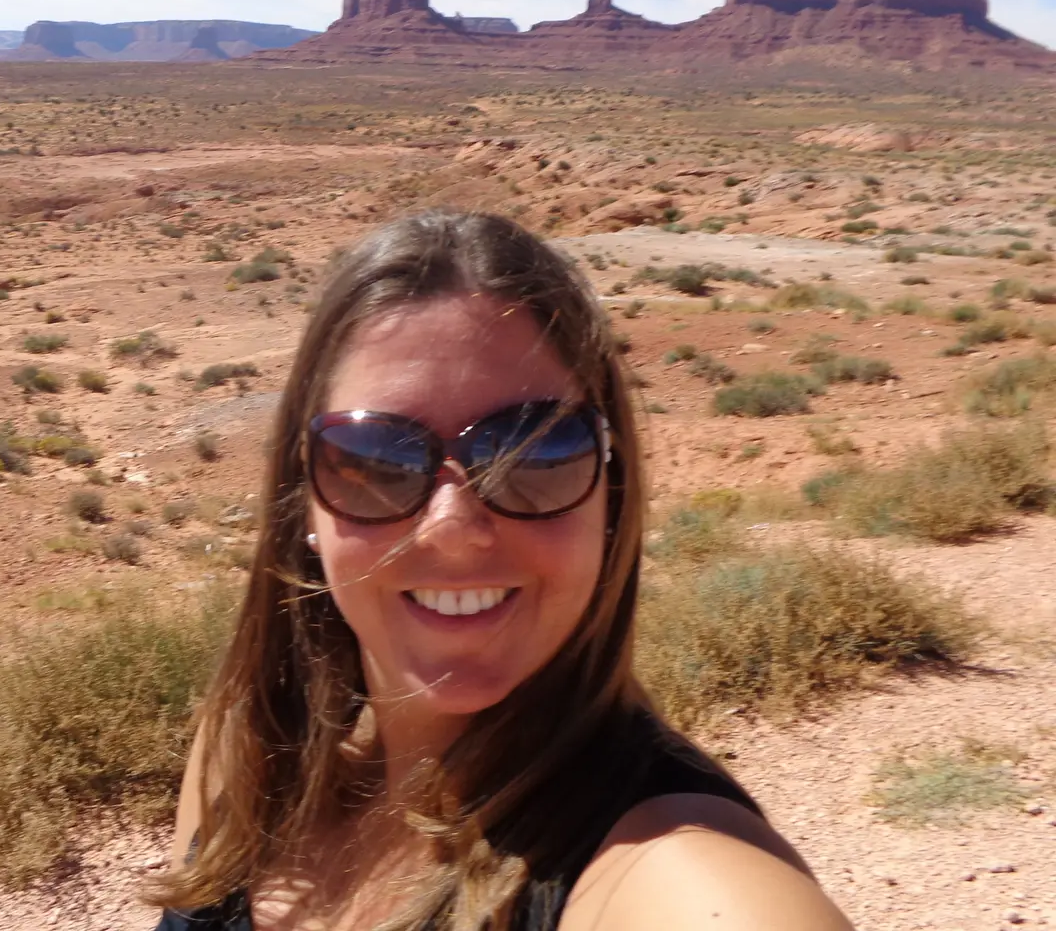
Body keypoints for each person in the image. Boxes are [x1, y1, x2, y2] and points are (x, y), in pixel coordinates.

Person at [147, 211, 852, 931]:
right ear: (304, 501)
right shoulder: (248, 753)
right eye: (377, 461)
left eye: (535, 455)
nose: (454, 529)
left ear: (611, 493)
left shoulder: (664, 869)